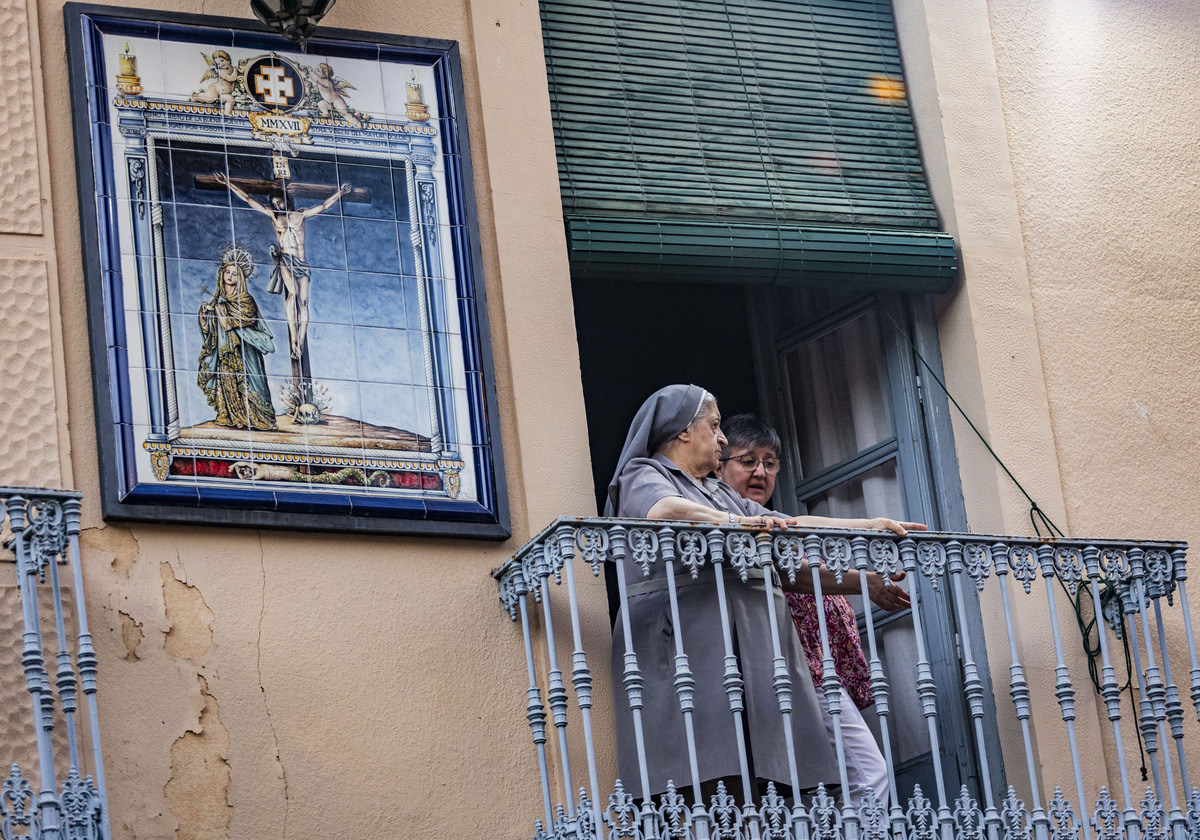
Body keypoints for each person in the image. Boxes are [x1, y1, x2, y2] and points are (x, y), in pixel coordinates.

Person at [606, 384, 923, 803]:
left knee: (744, 787)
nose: (721, 437)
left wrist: (869, 524)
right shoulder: (644, 473)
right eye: (715, 426)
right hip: (685, 651)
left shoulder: (717, 492)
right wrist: (731, 523)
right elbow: (663, 510)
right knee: (705, 784)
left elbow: (790, 525)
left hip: (742, 654)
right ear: (683, 431)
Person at [717, 414, 905, 807]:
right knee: (866, 775)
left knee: (828, 785)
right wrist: (863, 579)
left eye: (770, 463)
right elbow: (790, 575)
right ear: (719, 463)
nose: (760, 472)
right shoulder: (726, 520)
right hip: (796, 671)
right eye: (747, 460)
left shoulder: (774, 523)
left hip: (815, 670)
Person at [198, 247, 277, 431]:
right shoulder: (218, 301)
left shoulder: (246, 300)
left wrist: (218, 310)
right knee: (227, 381)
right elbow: (210, 330)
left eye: (235, 273)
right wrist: (204, 316)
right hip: (224, 351)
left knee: (249, 384)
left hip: (244, 353)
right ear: (222, 273)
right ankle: (234, 417)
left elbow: (228, 324)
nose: (230, 276)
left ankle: (256, 418)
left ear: (240, 278)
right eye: (228, 272)